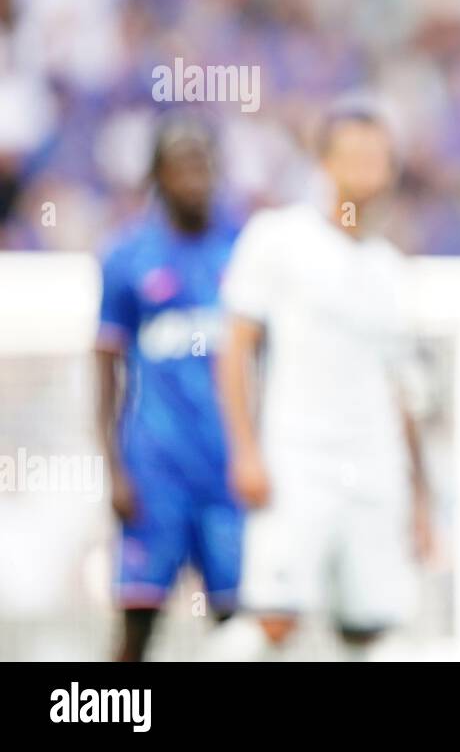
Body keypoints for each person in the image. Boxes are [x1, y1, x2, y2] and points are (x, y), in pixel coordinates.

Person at [214, 110, 430, 660]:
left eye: (376, 157)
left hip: (375, 468)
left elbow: (401, 391)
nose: (365, 168)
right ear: (324, 163)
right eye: (352, 155)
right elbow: (234, 347)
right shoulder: (278, 238)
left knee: (367, 628)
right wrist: (244, 450)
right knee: (272, 620)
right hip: (296, 459)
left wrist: (420, 498)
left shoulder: (389, 269)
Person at [95, 117, 242, 661]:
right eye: (181, 166)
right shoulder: (127, 257)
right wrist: (113, 467)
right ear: (157, 175)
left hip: (226, 470)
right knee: (138, 622)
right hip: (155, 469)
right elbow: (105, 367)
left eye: (202, 164)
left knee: (238, 629)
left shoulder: (242, 249)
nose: (194, 178)